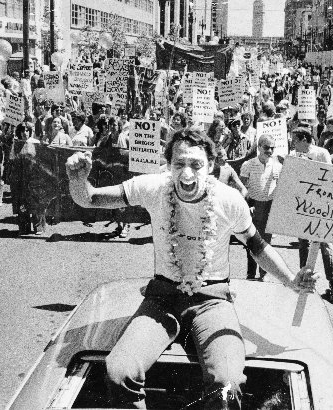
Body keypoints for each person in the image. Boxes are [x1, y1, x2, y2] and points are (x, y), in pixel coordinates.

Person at [65, 128, 317, 408]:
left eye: (196, 165)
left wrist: (292, 279)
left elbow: (257, 246)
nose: (187, 174)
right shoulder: (153, 187)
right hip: (162, 298)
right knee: (118, 371)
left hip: (212, 301)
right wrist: (78, 180)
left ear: (210, 167)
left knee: (227, 382)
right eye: (179, 164)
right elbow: (88, 198)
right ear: (168, 166)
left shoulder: (229, 200)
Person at [289, 127, 333, 302]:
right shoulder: (294, 154)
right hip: (303, 203)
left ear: (304, 139)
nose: (293, 143)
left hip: (320, 204)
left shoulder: (322, 153)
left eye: (295, 140)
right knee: (303, 242)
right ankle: (304, 277)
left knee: (325, 243)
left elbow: (329, 178)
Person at [239, 135, 282, 281]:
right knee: (252, 241)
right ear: (259, 148)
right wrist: (246, 206)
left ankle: (264, 274)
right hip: (253, 206)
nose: (269, 151)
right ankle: (251, 274)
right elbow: (242, 188)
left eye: (272, 148)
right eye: (266, 147)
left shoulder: (277, 166)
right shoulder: (248, 165)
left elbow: (281, 188)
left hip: (269, 206)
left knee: (266, 243)